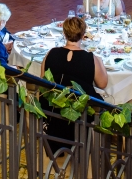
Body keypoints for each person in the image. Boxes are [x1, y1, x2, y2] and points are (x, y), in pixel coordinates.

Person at [42, 16, 108, 152]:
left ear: (64, 33)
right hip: (81, 111)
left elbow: (44, 80)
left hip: (53, 107)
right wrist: (99, 61)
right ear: (84, 36)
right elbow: (102, 84)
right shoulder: (91, 58)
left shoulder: (51, 53)